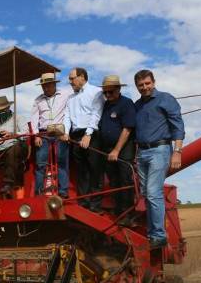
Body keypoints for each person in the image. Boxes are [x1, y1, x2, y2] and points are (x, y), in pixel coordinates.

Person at [134, 69, 185, 249]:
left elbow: (178, 126)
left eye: (147, 83)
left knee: (153, 191)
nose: (145, 87)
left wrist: (177, 151)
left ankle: (158, 235)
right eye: (141, 85)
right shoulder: (137, 105)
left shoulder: (166, 99)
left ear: (153, 82)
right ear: (137, 87)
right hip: (142, 152)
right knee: (147, 194)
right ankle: (152, 233)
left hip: (160, 149)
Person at [63, 67, 105, 212]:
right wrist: (66, 132)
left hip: (92, 135)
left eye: (72, 78)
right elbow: (67, 117)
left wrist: (88, 134)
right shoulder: (70, 98)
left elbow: (96, 114)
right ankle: (84, 203)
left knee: (95, 170)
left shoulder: (96, 92)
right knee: (82, 172)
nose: (70, 82)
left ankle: (96, 205)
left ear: (82, 77)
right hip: (75, 136)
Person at [98, 75, 137, 223]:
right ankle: (118, 211)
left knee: (125, 180)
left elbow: (127, 129)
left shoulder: (126, 104)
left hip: (124, 148)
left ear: (119, 89)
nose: (107, 95)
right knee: (113, 181)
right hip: (107, 149)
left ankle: (128, 214)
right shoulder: (106, 105)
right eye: (105, 92)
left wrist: (116, 150)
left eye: (111, 92)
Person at [30, 72, 72, 197]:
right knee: (40, 163)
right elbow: (33, 118)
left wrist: (66, 132)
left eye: (48, 85)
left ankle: (63, 191)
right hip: (44, 132)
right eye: (44, 86)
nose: (46, 88)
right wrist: (36, 135)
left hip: (60, 132)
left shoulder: (65, 95)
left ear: (54, 84)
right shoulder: (38, 100)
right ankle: (38, 192)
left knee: (62, 160)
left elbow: (69, 113)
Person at [0, 96, 28, 198]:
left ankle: (8, 184)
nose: (1, 112)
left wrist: (11, 134)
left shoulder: (19, 118)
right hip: (1, 150)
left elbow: (26, 133)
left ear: (8, 107)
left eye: (3, 109)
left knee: (13, 149)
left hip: (19, 147)